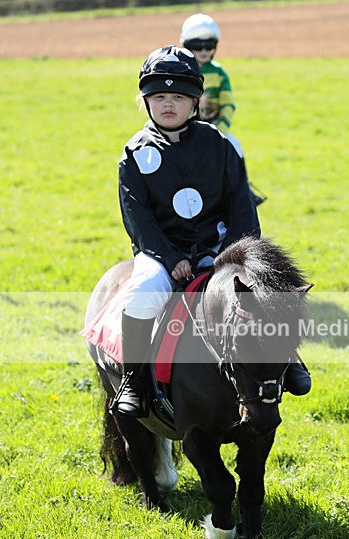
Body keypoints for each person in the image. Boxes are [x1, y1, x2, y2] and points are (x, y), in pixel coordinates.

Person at [112, 46, 309, 418]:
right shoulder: (134, 154)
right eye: (158, 97)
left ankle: (290, 360)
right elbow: (138, 219)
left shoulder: (223, 146)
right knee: (139, 296)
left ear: (195, 101)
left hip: (223, 251)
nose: (168, 104)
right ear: (145, 102)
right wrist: (170, 259)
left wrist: (232, 260)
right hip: (162, 256)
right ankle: (133, 380)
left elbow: (242, 209)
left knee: (262, 294)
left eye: (177, 97)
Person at [179, 12, 266, 206]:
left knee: (236, 146)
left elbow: (227, 104)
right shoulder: (181, 70)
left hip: (213, 126)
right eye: (197, 46)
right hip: (184, 128)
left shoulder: (219, 73)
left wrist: (222, 127)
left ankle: (245, 191)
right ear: (186, 46)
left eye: (209, 45)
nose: (203, 50)